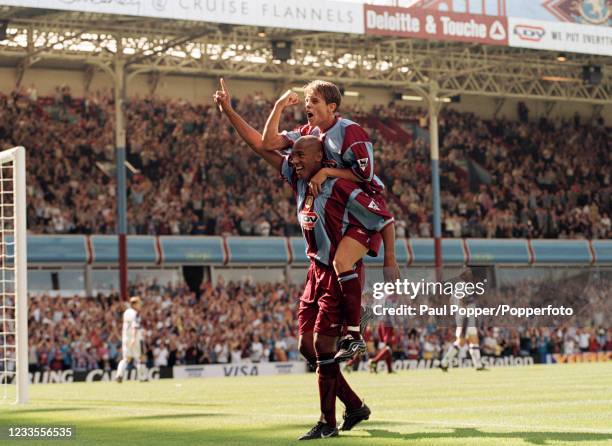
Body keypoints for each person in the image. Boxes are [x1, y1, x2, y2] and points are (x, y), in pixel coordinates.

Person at [215, 89, 387, 438]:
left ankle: (327, 423)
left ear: (321, 158)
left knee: (323, 348)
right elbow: (261, 145)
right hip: (315, 271)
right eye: (291, 154)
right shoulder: (298, 177)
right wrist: (230, 111)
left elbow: (381, 214)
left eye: (298, 154)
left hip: (336, 273)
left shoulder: (337, 186)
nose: (291, 159)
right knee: (305, 347)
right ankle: (354, 405)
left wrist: (385, 254)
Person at [261, 82, 399, 359]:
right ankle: (356, 321)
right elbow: (268, 143)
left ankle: (354, 331)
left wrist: (326, 171)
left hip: (363, 207)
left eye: (313, 101)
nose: (307, 105)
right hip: (340, 207)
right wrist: (277, 106)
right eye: (307, 101)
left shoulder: (350, 132)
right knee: (335, 266)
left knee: (341, 262)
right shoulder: (310, 133)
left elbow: (365, 176)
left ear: (332, 107)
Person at [439, 267, 486, 371]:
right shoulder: (462, 285)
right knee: (461, 341)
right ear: (463, 275)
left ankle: (478, 365)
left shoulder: (461, 286)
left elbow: (451, 301)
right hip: (465, 318)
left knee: (474, 340)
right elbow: (462, 300)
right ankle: (444, 362)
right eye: (468, 273)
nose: (470, 275)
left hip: (466, 317)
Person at [115, 296, 146, 382]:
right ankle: (143, 377)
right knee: (140, 357)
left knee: (126, 358)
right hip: (134, 338)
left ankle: (119, 374)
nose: (140, 305)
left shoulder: (126, 312)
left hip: (125, 337)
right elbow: (134, 326)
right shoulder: (135, 313)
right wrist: (134, 337)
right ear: (134, 304)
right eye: (139, 303)